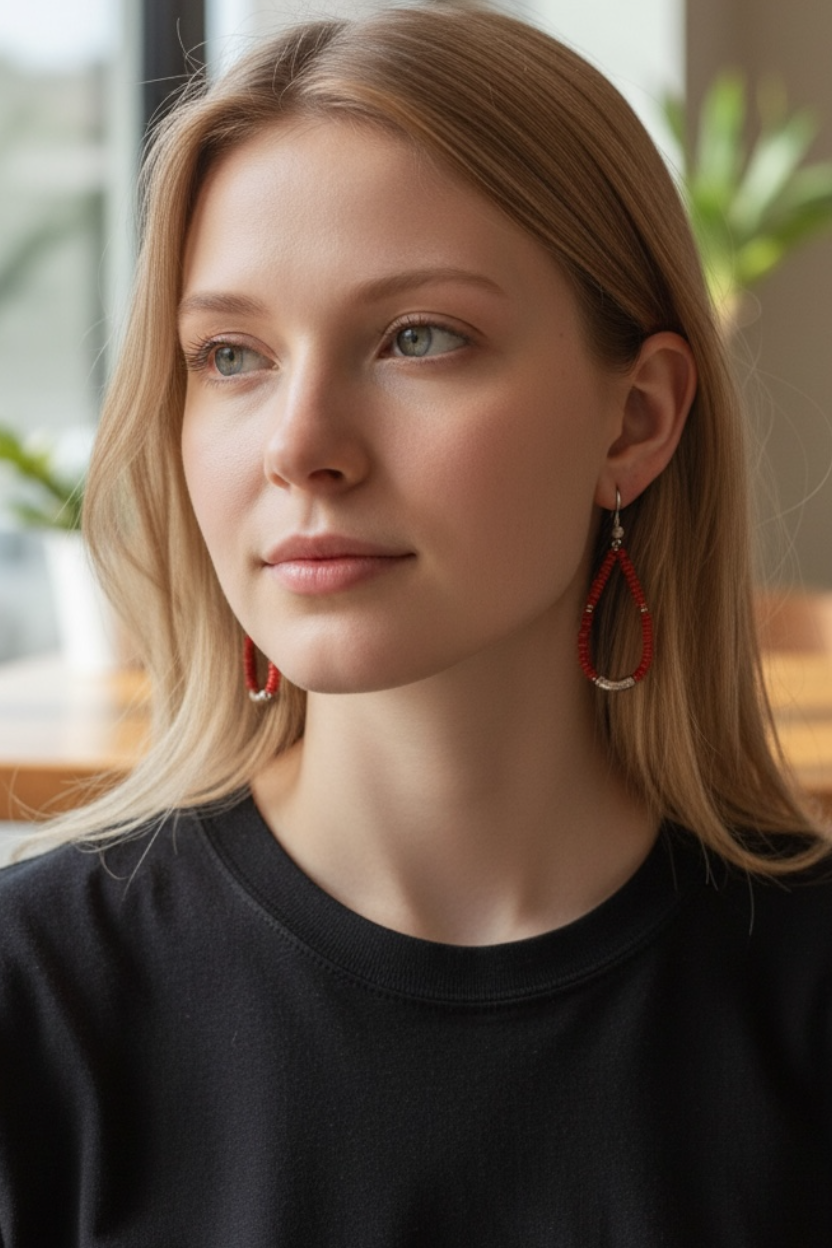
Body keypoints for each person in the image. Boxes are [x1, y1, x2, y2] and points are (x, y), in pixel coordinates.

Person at [1, 5, 831, 1244]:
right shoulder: (34, 1004)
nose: (298, 447)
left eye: (418, 338)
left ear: (636, 422)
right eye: (230, 355)